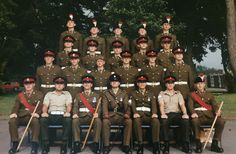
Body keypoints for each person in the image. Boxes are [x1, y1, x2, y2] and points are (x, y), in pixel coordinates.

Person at [188, 76, 225, 153]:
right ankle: (198, 144)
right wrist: (193, 113)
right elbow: (190, 106)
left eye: (201, 83)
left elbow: (214, 105)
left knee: (221, 121)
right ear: (195, 85)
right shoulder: (191, 95)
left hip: (209, 116)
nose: (200, 85)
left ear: (204, 84)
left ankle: (215, 144)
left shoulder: (210, 94)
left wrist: (217, 111)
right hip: (198, 117)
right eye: (198, 84)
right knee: (194, 121)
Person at [8, 76, 43, 154]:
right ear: (24, 85)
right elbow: (16, 106)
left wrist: (37, 113)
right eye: (26, 83)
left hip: (33, 117)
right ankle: (15, 143)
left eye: (30, 83)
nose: (28, 85)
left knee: (35, 121)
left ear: (34, 84)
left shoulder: (39, 94)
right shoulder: (20, 95)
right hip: (22, 117)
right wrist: (14, 113)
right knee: (12, 121)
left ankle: (34, 144)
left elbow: (40, 108)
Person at [158, 75, 191, 154]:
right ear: (165, 84)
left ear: (174, 84)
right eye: (168, 83)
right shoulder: (161, 94)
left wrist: (185, 114)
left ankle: (185, 144)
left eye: (172, 83)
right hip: (167, 114)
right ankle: (166, 144)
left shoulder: (178, 94)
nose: (170, 84)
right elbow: (161, 105)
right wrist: (163, 114)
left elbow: (182, 105)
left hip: (177, 114)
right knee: (164, 121)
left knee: (185, 121)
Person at [40, 77, 72, 154]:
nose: (59, 85)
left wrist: (67, 112)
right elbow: (45, 105)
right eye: (57, 83)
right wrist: (44, 112)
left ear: (64, 86)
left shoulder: (67, 94)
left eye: (61, 84)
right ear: (54, 85)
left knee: (68, 120)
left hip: (62, 115)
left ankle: (64, 144)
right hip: (51, 115)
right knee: (42, 120)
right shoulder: (49, 94)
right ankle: (45, 144)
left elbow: (69, 105)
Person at [102, 74, 132, 154]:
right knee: (105, 122)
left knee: (128, 121)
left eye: (116, 81)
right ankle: (106, 146)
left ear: (119, 83)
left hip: (120, 115)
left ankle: (126, 145)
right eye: (113, 81)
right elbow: (104, 105)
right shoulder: (106, 93)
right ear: (110, 83)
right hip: (110, 115)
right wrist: (105, 114)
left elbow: (127, 105)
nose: (114, 83)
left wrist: (127, 114)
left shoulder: (124, 93)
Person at [71, 75, 101, 154]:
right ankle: (77, 143)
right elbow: (75, 106)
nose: (87, 84)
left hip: (92, 117)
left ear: (91, 85)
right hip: (81, 117)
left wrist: (97, 113)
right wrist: (74, 114)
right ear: (83, 84)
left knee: (98, 121)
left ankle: (95, 143)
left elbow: (99, 107)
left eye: (89, 83)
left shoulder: (96, 96)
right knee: (74, 121)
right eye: (85, 83)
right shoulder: (78, 95)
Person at [131, 75, 160, 154]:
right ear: (137, 84)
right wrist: (135, 113)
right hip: (139, 115)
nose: (142, 84)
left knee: (156, 121)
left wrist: (154, 113)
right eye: (140, 82)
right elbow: (132, 105)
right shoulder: (133, 93)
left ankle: (155, 144)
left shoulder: (151, 93)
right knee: (136, 121)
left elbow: (153, 105)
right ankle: (140, 144)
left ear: (146, 83)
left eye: (143, 82)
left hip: (148, 115)